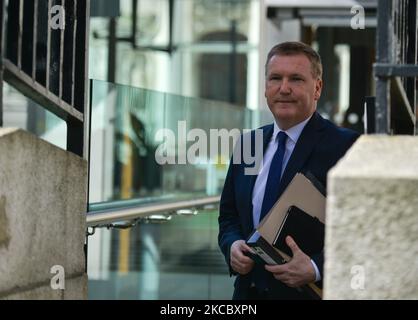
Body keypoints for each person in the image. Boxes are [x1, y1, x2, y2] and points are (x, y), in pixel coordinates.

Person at [218, 41, 359, 300]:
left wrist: (316, 267)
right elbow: (229, 217)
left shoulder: (347, 147)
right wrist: (232, 245)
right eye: (275, 78)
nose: (284, 88)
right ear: (265, 87)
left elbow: (363, 230)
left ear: (317, 88)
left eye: (296, 79)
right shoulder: (248, 144)